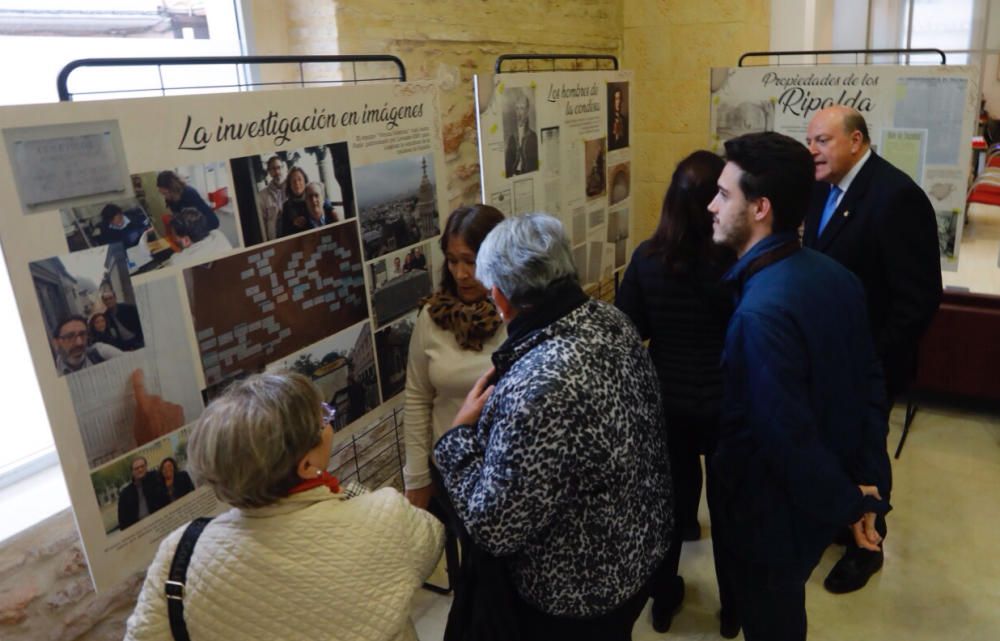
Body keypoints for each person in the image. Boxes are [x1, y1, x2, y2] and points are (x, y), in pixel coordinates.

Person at [434, 213, 670, 641]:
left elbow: (495, 527)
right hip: (635, 553)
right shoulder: (609, 319)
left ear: (501, 298)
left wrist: (457, 437)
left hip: (576, 592)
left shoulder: (539, 386)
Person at [707, 131, 891, 641]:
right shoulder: (838, 277)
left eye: (724, 194)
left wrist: (854, 504)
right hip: (817, 502)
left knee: (774, 621)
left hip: (773, 514)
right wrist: (867, 486)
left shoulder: (759, 314)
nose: (711, 206)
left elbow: (786, 439)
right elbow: (869, 387)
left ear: (761, 207)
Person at [125, 372, 443, 641]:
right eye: (323, 419)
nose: (328, 420)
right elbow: (431, 544)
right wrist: (351, 494)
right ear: (305, 465)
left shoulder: (180, 552)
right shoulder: (385, 515)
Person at [804, 106, 941, 594]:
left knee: (864, 454)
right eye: (810, 141)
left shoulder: (897, 197)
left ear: (856, 141)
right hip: (826, 359)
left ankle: (868, 545)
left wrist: (873, 364)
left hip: (871, 365)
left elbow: (919, 298)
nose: (812, 150)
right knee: (833, 445)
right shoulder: (821, 189)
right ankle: (839, 520)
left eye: (822, 140)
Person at [615, 150, 738, 636]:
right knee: (730, 513)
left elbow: (630, 331)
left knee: (667, 511)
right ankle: (733, 610)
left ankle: (663, 602)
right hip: (728, 400)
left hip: (668, 402)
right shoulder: (738, 260)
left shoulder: (647, 259)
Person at [403, 204, 507, 510]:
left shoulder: (515, 315)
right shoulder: (432, 317)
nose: (461, 274)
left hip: (505, 473)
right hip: (449, 471)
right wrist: (418, 478)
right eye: (452, 261)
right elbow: (417, 397)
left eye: (471, 262)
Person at [52, 315, 123, 375]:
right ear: (56, 342)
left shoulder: (99, 352)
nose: (79, 342)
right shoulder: (52, 372)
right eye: (70, 336)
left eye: (82, 334)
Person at [168, 207, 234, 268]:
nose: (174, 239)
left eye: (174, 236)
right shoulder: (217, 234)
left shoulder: (176, 261)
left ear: (186, 240)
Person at [156, 170, 220, 231]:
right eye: (162, 194)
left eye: (165, 193)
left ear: (172, 189)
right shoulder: (171, 197)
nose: (165, 197)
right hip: (192, 225)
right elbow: (177, 215)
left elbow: (195, 220)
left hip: (207, 223)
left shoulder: (188, 193)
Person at [117, 456, 169, 530]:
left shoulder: (157, 480)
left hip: (160, 523)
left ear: (146, 467)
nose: (140, 470)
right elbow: (123, 522)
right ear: (132, 471)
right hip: (139, 530)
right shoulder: (125, 494)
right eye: (136, 468)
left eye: (142, 466)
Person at [99, 283, 144, 350]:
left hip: (138, 340)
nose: (108, 301)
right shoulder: (106, 316)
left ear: (115, 298)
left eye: (110, 298)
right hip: (124, 347)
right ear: (103, 301)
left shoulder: (128, 308)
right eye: (106, 299)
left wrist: (140, 339)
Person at [504, 92, 538, 176]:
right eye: (517, 108)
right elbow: (508, 163)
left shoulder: (533, 137)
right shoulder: (512, 138)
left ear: (527, 110)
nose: (519, 113)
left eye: (522, 108)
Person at [257, 155, 286, 241]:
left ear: (283, 168)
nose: (277, 172)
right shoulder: (262, 195)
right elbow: (262, 222)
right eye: (273, 169)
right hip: (275, 238)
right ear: (269, 172)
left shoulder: (292, 187)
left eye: (279, 167)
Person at [277, 166, 311, 237]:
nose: (297, 183)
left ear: (305, 181)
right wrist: (293, 224)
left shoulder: (312, 198)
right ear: (290, 185)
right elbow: (284, 233)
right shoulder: (286, 206)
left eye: (299, 179)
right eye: (293, 181)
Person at [608, 86, 629, 150]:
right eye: (616, 99)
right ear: (613, 101)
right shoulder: (609, 119)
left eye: (620, 99)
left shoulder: (624, 120)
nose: (618, 102)